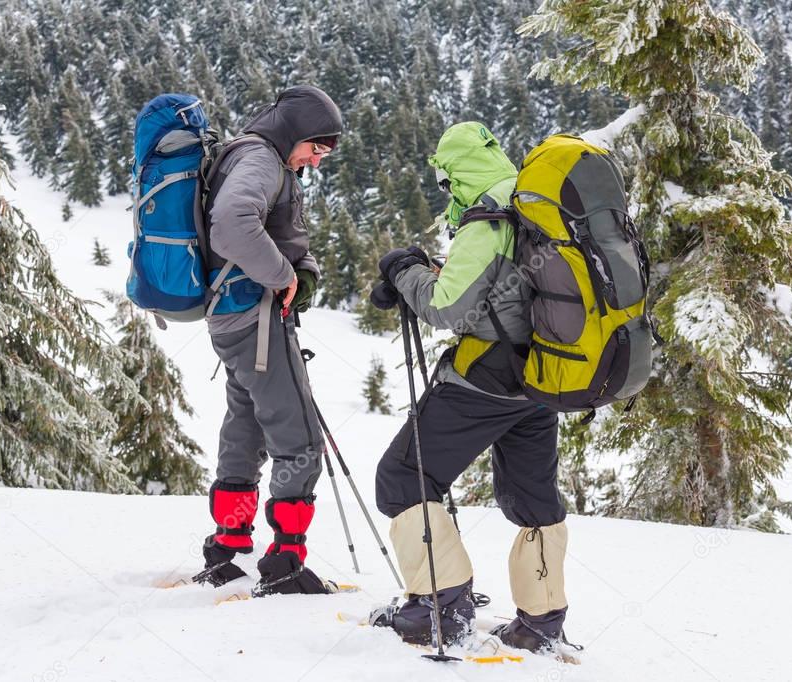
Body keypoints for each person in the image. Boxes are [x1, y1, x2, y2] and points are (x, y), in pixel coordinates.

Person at [370, 122, 571, 652]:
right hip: (543, 378)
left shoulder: (488, 217)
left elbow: (446, 308)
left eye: (445, 182)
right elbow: (509, 286)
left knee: (403, 476)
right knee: (533, 496)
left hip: (486, 379)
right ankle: (542, 619)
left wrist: (406, 271)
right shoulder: (535, 203)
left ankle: (442, 606)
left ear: (453, 173)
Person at [195, 85, 342, 596]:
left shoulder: (252, 154)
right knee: (298, 436)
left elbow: (272, 230)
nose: (316, 161)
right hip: (256, 318)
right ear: (295, 133)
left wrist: (300, 268)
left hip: (232, 318)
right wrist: (284, 277)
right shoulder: (261, 160)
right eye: (316, 149)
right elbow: (233, 226)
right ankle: (285, 563)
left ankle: (228, 546)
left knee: (247, 428)